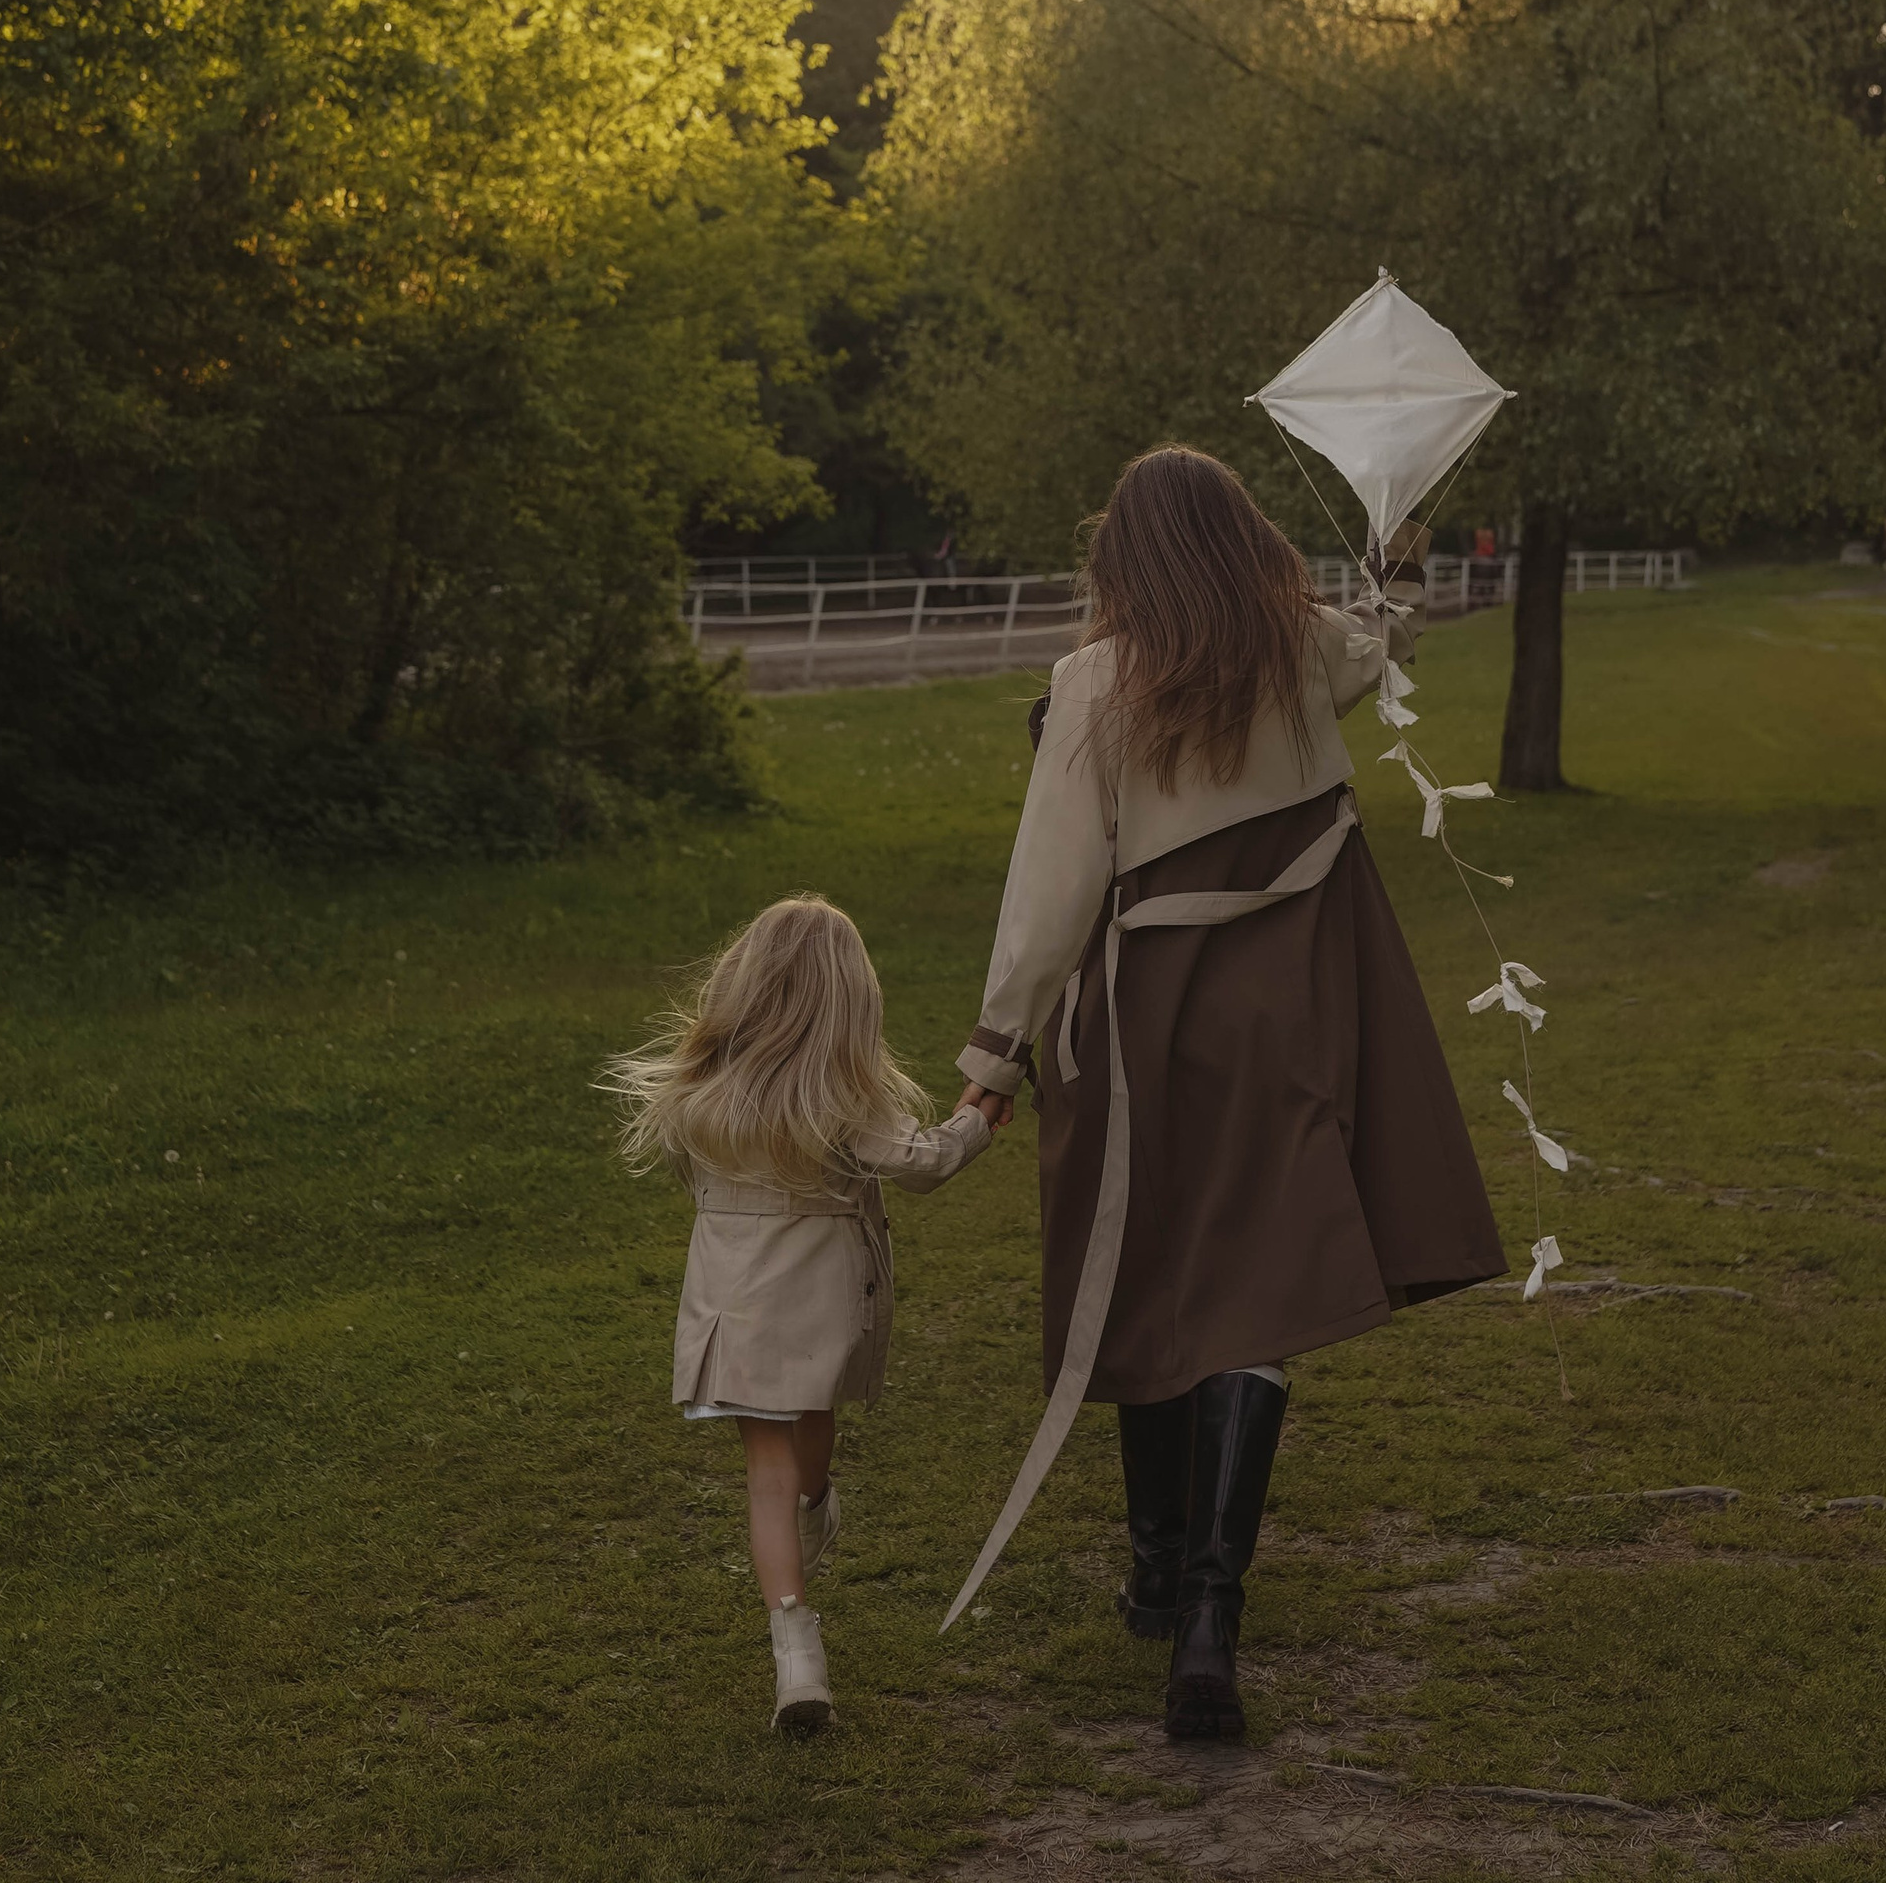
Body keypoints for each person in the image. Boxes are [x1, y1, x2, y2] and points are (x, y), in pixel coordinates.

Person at [953, 448, 1504, 1741]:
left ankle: (1162, 1581)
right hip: (1293, 1020)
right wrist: (1404, 550)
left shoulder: (1091, 684)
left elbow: (1048, 897)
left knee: (1152, 1272)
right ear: (1241, 535)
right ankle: (1200, 1604)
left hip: (1147, 1032)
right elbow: (1382, 639)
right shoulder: (1302, 650)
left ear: (1124, 559)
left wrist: (993, 1058)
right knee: (1251, 1282)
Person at [605, 894, 1000, 1736]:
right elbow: (920, 1164)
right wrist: (976, 1120)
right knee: (807, 1434)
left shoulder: (700, 1091)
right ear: (849, 1000)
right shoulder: (840, 1101)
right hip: (818, 1307)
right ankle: (814, 1547)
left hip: (734, 1308)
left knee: (768, 1473)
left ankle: (797, 1646)